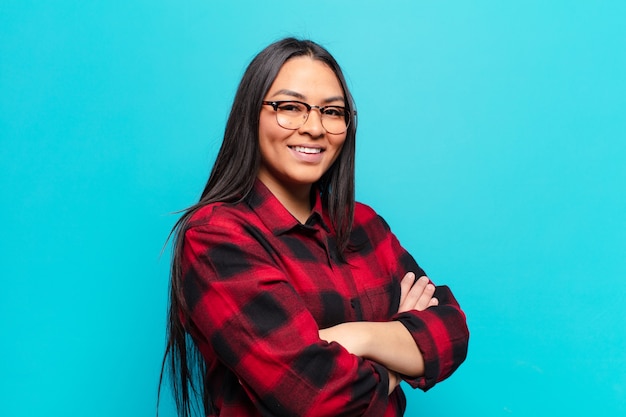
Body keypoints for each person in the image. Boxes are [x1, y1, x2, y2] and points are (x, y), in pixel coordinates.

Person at [159, 37, 469, 417]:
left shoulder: (364, 224)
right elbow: (313, 398)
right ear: (250, 115)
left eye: (332, 112)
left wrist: (354, 336)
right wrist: (397, 356)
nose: (314, 128)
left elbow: (451, 331)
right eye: (290, 107)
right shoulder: (216, 237)